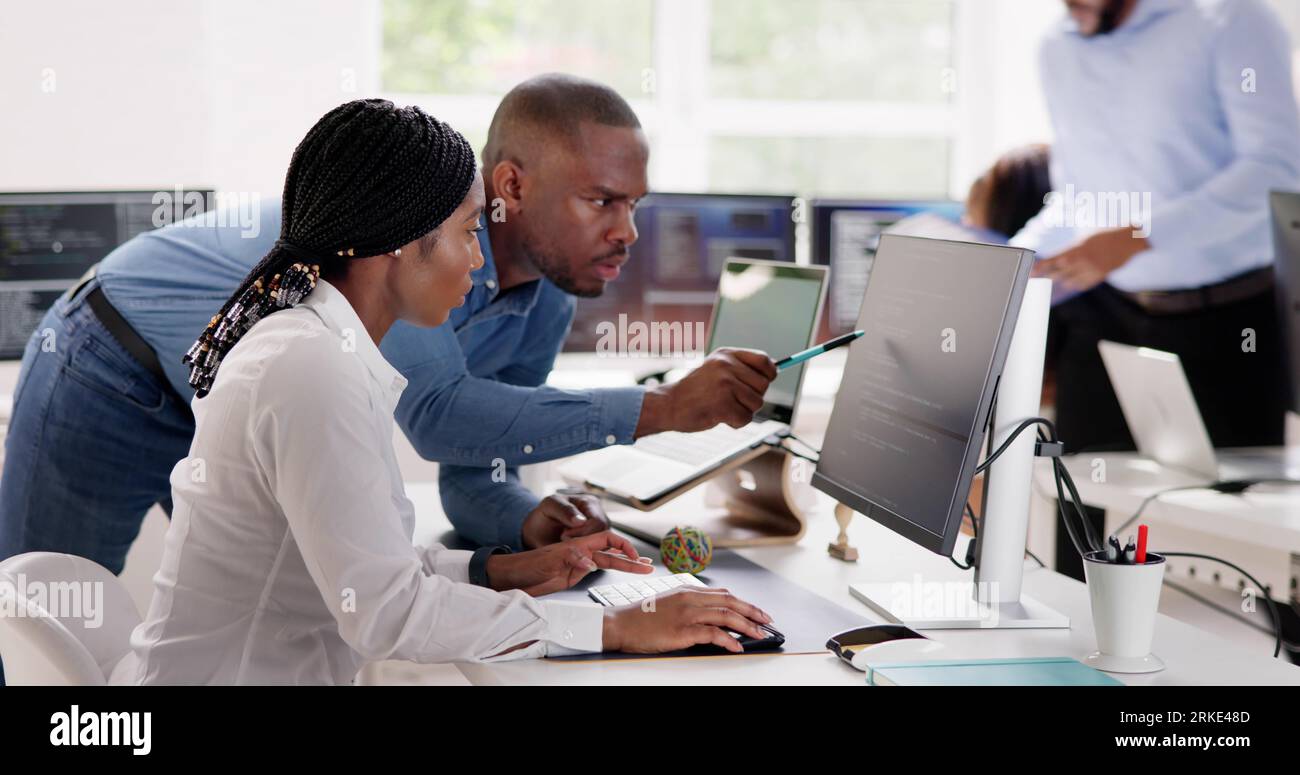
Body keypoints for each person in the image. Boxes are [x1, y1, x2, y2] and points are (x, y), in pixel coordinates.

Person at [0, 73, 777, 579]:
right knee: (46, 615)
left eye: (635, 205)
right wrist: (663, 409)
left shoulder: (546, 300)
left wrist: (527, 518)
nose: (628, 231)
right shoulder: (411, 234)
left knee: (278, 620)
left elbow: (478, 468)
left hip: (228, 405)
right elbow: (440, 415)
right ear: (510, 184)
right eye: (603, 201)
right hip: (110, 363)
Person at [110, 100, 774, 685]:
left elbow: (377, 566)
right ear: (399, 243)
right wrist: (616, 629)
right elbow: (388, 615)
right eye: (465, 233)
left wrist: (503, 569)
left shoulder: (323, 350)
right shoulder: (310, 369)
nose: (479, 258)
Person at [1013, 0, 1300, 452]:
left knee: (1216, 513)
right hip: (1107, 314)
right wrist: (1013, 257)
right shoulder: (1057, 46)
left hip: (1225, 324)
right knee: (1079, 499)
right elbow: (1076, 195)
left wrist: (1139, 237)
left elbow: (1275, 170)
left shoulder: (1232, 19)